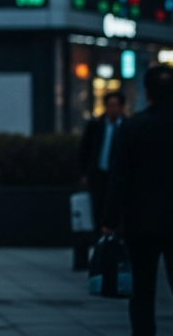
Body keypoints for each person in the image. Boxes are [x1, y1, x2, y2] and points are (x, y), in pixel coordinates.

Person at [103, 65, 173, 336]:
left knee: (142, 292)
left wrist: (109, 219)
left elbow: (119, 177)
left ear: (147, 93)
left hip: (142, 221)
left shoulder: (132, 127)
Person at [80, 91, 125, 229]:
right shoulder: (95, 125)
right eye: (109, 105)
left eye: (115, 105)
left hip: (117, 175)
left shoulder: (127, 126)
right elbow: (85, 150)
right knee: (97, 206)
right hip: (98, 173)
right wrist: (85, 173)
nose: (112, 109)